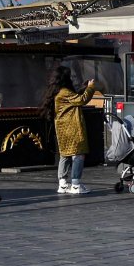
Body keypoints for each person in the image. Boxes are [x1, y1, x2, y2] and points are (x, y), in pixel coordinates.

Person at [43, 66, 97, 195]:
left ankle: (62, 184)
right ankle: (76, 184)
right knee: (79, 154)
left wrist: (83, 88)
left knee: (64, 154)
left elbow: (74, 97)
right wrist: (90, 88)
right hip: (72, 127)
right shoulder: (65, 92)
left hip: (62, 128)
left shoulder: (58, 91)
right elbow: (81, 100)